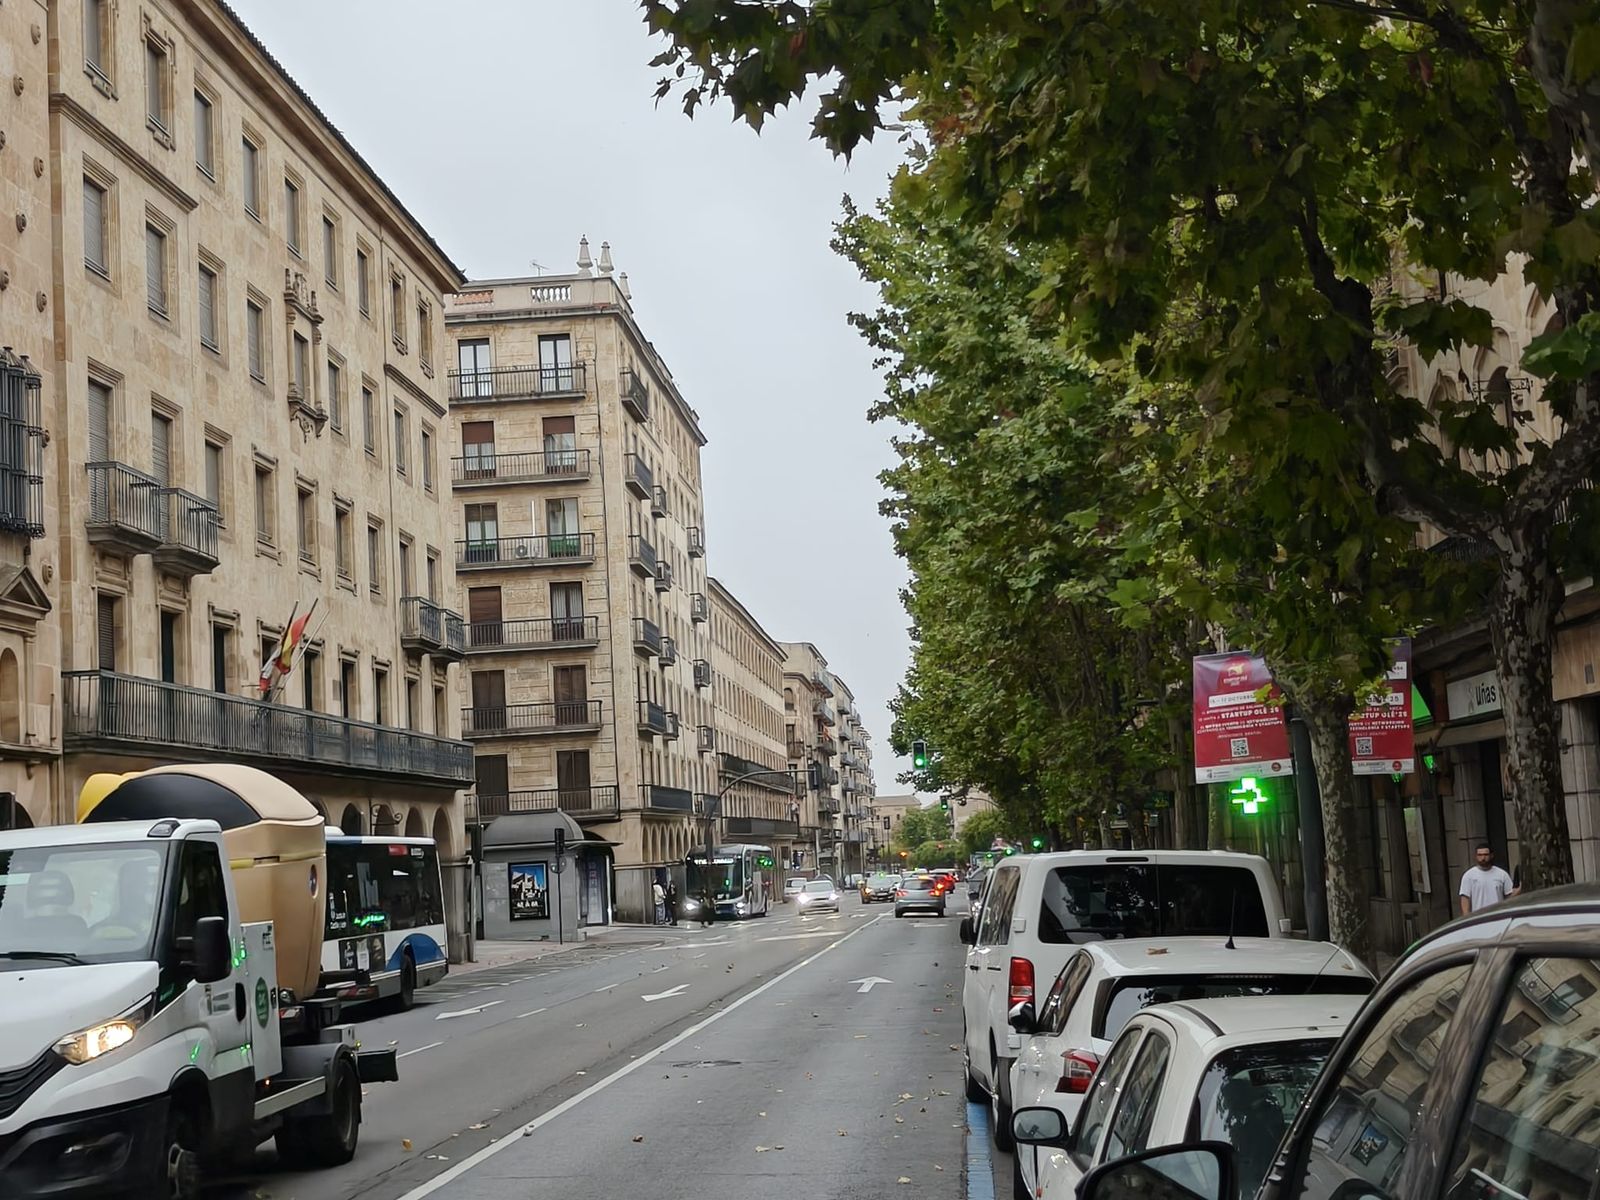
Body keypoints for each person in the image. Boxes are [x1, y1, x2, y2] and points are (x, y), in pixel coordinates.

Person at [1459, 843, 1518, 915]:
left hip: (1499, 916)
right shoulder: (1468, 876)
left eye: (1486, 855)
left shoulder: (1502, 874)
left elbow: (1509, 896)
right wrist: (1466, 917)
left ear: (1491, 855)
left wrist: (1520, 889)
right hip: (1478, 918)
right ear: (1476, 856)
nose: (1483, 858)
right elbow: (1465, 898)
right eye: (1480, 855)